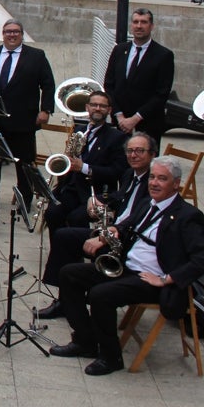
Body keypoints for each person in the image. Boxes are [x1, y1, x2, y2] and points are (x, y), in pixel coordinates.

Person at [49, 155, 204, 375]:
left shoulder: (189, 216)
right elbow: (127, 224)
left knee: (100, 294)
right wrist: (107, 235)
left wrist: (166, 279)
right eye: (152, 177)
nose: (154, 183)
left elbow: (200, 259)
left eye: (162, 179)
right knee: (69, 274)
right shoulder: (148, 203)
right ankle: (86, 341)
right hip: (127, 266)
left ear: (176, 184)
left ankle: (111, 358)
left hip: (151, 278)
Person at [38, 131, 155, 320]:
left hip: (126, 236)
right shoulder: (130, 174)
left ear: (152, 154)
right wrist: (99, 199)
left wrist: (112, 231)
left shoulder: (153, 180)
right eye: (130, 151)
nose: (133, 155)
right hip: (114, 230)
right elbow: (119, 196)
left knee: (84, 245)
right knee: (63, 236)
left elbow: (144, 214)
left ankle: (91, 302)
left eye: (140, 151)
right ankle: (64, 300)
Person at [0, 18, 55, 206]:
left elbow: (48, 84)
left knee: (24, 164)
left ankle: (25, 200)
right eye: (8, 31)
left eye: (16, 32)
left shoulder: (36, 56)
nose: (12, 35)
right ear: (3, 34)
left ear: (21, 35)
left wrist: (46, 110)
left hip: (23, 121)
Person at [42, 90, 127, 235]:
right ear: (87, 107)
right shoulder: (80, 130)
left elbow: (116, 171)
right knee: (52, 213)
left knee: (76, 218)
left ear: (109, 110)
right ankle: (59, 251)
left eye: (102, 106)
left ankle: (76, 251)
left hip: (96, 193)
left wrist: (84, 167)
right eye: (94, 105)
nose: (98, 108)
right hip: (72, 189)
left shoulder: (117, 137)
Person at [103, 8, 174, 144]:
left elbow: (161, 93)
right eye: (135, 22)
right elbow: (109, 85)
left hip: (148, 125)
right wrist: (120, 116)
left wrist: (135, 119)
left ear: (151, 26)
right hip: (120, 124)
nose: (139, 26)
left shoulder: (163, 55)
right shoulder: (119, 50)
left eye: (144, 22)